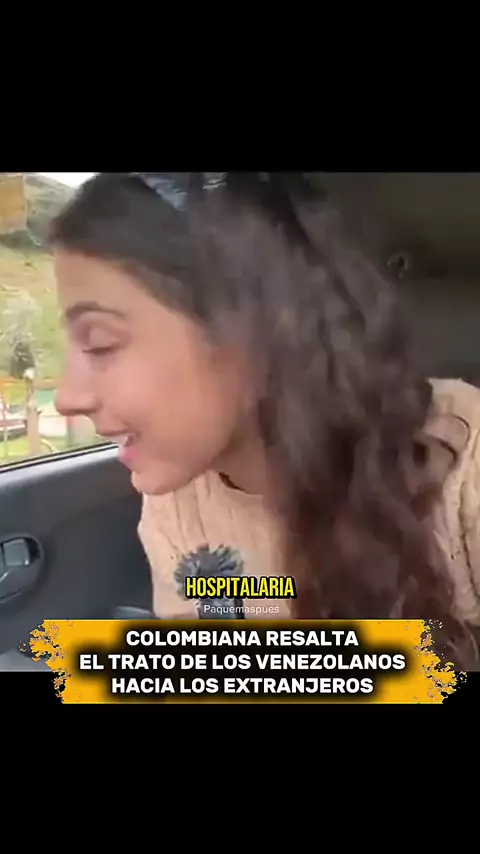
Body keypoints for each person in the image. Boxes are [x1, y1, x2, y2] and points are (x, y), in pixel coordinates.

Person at [49, 172, 480, 669]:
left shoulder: (463, 467)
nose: (66, 398)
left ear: (257, 332)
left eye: (100, 343)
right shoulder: (178, 502)